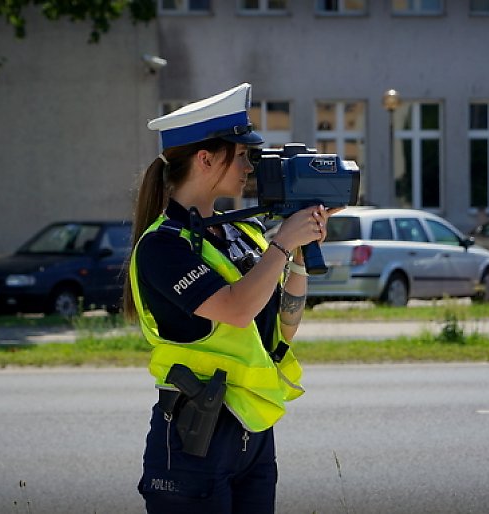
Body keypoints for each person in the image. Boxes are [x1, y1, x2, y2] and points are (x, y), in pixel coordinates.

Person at [123, 83, 334, 513]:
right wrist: (281, 245)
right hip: (193, 435)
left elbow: (282, 327)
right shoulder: (163, 246)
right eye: (242, 155)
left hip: (250, 432)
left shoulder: (240, 230)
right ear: (206, 159)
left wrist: (296, 248)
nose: (250, 166)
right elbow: (237, 310)